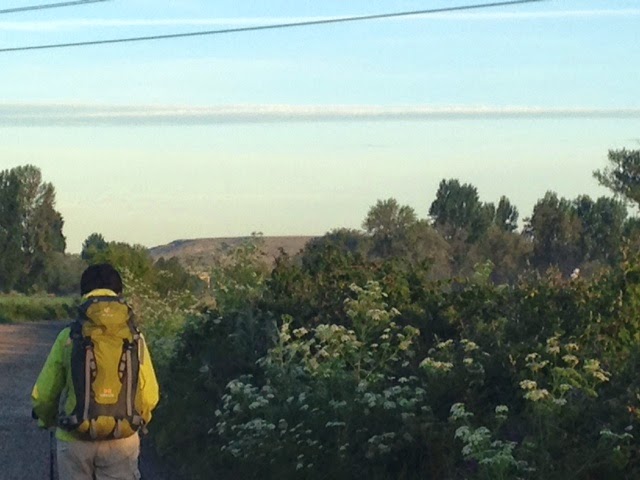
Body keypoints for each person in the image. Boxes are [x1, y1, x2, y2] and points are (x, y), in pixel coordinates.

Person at [32, 263, 159, 480]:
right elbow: (150, 395)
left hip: (74, 437)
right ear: (118, 293)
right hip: (121, 440)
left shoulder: (69, 336)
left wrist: (47, 419)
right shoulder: (135, 337)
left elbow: (44, 395)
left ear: (84, 294)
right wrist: (138, 420)